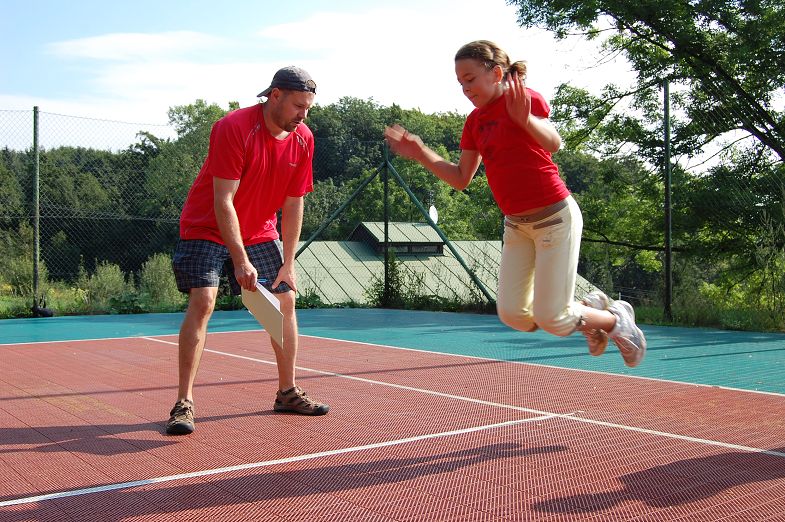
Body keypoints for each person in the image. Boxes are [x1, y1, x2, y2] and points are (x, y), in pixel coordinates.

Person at [384, 40, 646, 367]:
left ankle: (616, 320)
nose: (465, 89)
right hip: (517, 226)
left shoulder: (523, 99)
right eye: (460, 83)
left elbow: (554, 142)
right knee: (513, 315)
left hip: (555, 218)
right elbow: (461, 178)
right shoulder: (475, 122)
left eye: (470, 79)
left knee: (553, 317)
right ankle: (588, 312)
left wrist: (526, 120)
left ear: (496, 73)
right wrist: (421, 153)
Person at [166, 66, 329, 436]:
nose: (303, 115)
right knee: (203, 300)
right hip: (207, 226)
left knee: (284, 300)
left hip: (259, 230)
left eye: (308, 108)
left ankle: (287, 392)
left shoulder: (303, 139)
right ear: (275, 96)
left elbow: (294, 203)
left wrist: (289, 263)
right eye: (298, 106)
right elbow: (223, 200)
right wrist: (240, 261)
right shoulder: (234, 127)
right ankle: (183, 403)